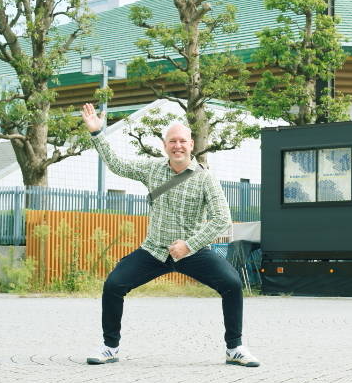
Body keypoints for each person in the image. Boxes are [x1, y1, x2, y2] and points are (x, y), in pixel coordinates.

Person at [80, 103, 260, 367]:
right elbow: (117, 165)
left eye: (183, 141)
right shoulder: (152, 169)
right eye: (172, 141)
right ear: (165, 146)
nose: (178, 146)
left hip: (193, 252)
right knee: (114, 285)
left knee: (232, 284)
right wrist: (97, 133)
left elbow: (222, 218)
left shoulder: (205, 178)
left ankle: (234, 348)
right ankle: (110, 347)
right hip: (154, 250)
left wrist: (189, 245)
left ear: (191, 145)